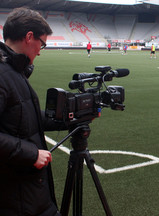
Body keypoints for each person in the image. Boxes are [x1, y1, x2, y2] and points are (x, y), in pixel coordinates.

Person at [0, 7, 65, 216]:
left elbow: (23, 119)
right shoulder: (3, 74)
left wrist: (68, 118)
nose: (39, 51)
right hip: (16, 199)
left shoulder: (13, 70)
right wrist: (32, 154)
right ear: (29, 37)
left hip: (26, 194)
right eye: (42, 44)